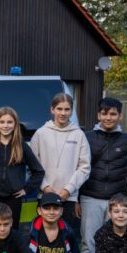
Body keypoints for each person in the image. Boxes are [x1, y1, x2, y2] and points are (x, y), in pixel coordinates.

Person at [78, 97, 127, 253]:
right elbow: (80, 168)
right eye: (104, 113)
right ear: (98, 115)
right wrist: (76, 199)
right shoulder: (87, 137)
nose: (108, 117)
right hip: (90, 197)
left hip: (116, 200)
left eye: (113, 114)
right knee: (89, 240)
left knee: (116, 240)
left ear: (120, 116)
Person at [0, 106, 44, 230]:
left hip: (13, 200)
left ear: (15, 124)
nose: (5, 126)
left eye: (10, 122)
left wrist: (26, 189)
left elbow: (39, 172)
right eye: (2, 122)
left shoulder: (21, 146)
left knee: (10, 233)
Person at [29, 93, 90, 242]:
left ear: (71, 111)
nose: (63, 113)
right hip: (45, 196)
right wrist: (45, 187)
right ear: (52, 109)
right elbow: (32, 165)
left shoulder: (79, 135)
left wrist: (68, 190)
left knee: (67, 238)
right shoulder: (40, 134)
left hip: (68, 197)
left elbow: (85, 167)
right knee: (44, 238)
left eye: (67, 109)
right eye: (59, 109)